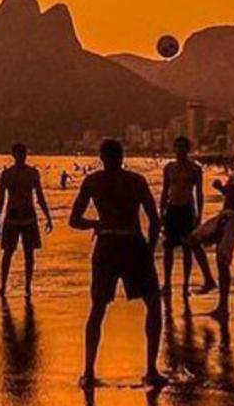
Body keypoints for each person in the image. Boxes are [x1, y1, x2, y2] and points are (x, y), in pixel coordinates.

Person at [70, 139, 165, 389]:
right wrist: (150, 248)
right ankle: (151, 369)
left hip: (107, 245)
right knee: (153, 304)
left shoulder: (92, 182)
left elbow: (74, 220)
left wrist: (96, 224)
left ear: (101, 157)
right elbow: (155, 220)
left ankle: (89, 372)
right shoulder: (136, 181)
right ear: (122, 156)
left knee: (98, 308)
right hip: (133, 243)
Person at [188, 139, 234, 321]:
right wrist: (221, 188)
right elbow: (229, 193)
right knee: (192, 239)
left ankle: (223, 306)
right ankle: (209, 280)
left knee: (222, 259)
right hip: (224, 215)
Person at [0, 142, 53, 298]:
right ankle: (3, 286)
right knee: (7, 253)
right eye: (18, 153)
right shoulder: (6, 174)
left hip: (29, 218)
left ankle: (27, 287)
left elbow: (39, 196)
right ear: (13, 155)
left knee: (29, 254)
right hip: (11, 218)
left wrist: (48, 217)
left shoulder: (33, 173)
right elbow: (1, 199)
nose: (21, 156)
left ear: (26, 155)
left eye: (23, 153)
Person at [159, 136, 215, 299]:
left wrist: (199, 215)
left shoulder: (194, 169)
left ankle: (185, 284)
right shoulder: (169, 168)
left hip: (187, 209)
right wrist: (161, 212)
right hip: (172, 209)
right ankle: (167, 283)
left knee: (187, 248)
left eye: (183, 147)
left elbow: (199, 193)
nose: (180, 150)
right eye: (177, 147)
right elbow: (164, 191)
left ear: (187, 149)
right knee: (168, 247)